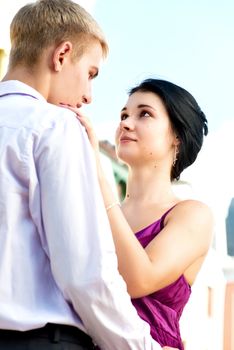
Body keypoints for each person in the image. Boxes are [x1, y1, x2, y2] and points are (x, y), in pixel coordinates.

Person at [0, 1, 178, 350]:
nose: (88, 96)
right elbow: (85, 276)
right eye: (91, 73)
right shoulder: (55, 126)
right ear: (62, 54)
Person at [72, 78, 214, 350]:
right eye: (124, 115)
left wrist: (96, 172)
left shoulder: (192, 215)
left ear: (177, 136)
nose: (125, 123)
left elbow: (139, 279)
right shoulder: (98, 209)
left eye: (144, 114)